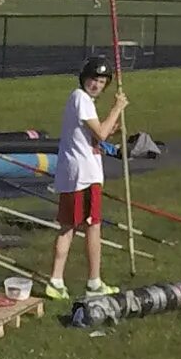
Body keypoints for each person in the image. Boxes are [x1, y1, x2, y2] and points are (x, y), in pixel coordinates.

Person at [48, 55, 130, 301]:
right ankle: (86, 281)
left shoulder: (83, 102)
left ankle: (62, 281)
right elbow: (102, 135)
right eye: (94, 79)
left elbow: (94, 137)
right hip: (83, 175)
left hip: (79, 174)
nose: (97, 84)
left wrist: (110, 126)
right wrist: (117, 108)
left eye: (102, 81)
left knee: (74, 226)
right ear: (84, 78)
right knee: (87, 227)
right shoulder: (81, 98)